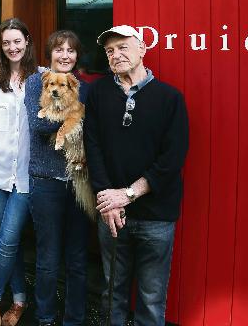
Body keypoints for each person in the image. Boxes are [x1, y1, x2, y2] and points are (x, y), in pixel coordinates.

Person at [84, 25, 189, 326]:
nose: (116, 55)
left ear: (142, 49)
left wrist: (127, 194)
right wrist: (109, 199)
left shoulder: (170, 99)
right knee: (112, 293)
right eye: (109, 51)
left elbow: (171, 161)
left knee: (151, 298)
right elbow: (93, 148)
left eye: (122, 47)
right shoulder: (98, 93)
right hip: (112, 214)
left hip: (156, 216)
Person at [25, 30, 90, 326]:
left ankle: (74, 319)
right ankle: (45, 318)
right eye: (59, 50)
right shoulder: (34, 83)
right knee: (48, 257)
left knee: (77, 258)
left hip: (78, 180)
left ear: (77, 56)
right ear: (49, 54)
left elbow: (91, 130)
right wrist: (68, 118)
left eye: (71, 51)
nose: (65, 55)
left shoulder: (86, 89)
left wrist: (61, 118)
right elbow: (37, 128)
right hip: (46, 181)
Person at [0, 19, 36, 326]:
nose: (12, 47)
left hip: (27, 175)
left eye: (17, 41)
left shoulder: (41, 78)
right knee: (8, 239)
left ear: (27, 41)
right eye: (6, 43)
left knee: (6, 241)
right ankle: (18, 299)